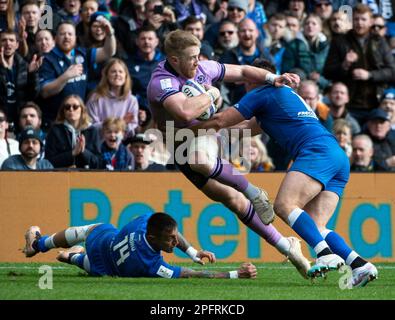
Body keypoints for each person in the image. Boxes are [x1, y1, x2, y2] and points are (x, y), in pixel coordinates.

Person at [191, 58, 378, 287]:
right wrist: (212, 134)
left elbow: (221, 119)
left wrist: (182, 129)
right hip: (336, 156)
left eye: (247, 78)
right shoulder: (281, 96)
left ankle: (324, 254)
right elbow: (242, 128)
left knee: (283, 205)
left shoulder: (262, 93)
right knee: (315, 227)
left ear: (255, 78)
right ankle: (360, 265)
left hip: (315, 152)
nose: (244, 83)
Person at [147, 30, 311, 279]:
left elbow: (244, 72)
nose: (197, 61)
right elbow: (183, 112)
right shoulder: (162, 82)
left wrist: (272, 77)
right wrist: (212, 94)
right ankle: (288, 247)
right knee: (231, 200)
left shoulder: (203, 67)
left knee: (206, 156)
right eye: (191, 57)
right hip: (181, 143)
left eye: (198, 55)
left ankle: (255, 190)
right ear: (174, 59)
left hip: (208, 135)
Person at [22, 212, 257, 279]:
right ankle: (71, 256)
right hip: (104, 268)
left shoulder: (146, 221)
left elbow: (171, 229)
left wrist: (194, 252)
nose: (175, 242)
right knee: (88, 262)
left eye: (175, 237)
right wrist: (236, 274)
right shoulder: (151, 264)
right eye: (170, 240)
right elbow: (192, 274)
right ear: (153, 239)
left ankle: (39, 244)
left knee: (90, 229)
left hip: (102, 242)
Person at [324, 4, 395, 126]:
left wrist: (370, 75)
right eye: (356, 19)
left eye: (363, 19)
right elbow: (327, 72)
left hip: (376, 104)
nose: (359, 23)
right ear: (351, 20)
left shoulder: (380, 41)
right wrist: (345, 65)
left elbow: (392, 71)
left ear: (371, 21)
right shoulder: (339, 41)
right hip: (348, 104)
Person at [39, 20, 116, 126]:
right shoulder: (48, 59)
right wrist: (66, 76)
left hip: (79, 119)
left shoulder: (83, 53)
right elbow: (45, 92)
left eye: (70, 34)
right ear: (56, 38)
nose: (66, 37)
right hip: (55, 121)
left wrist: (110, 34)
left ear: (75, 38)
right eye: (62, 34)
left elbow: (108, 52)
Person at [45, 94, 102, 169]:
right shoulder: (55, 131)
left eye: (75, 107)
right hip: (61, 175)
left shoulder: (92, 130)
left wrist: (83, 151)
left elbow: (98, 163)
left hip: (86, 176)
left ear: (82, 110)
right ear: (63, 111)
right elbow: (49, 162)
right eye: (67, 107)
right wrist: (72, 153)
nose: (71, 109)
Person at [87, 58, 139, 137]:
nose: (117, 74)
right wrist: (122, 123)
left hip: (123, 144)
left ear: (126, 76)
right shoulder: (95, 98)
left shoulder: (132, 100)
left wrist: (110, 125)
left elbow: (132, 128)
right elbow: (90, 125)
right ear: (107, 75)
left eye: (120, 72)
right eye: (113, 71)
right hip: (99, 144)